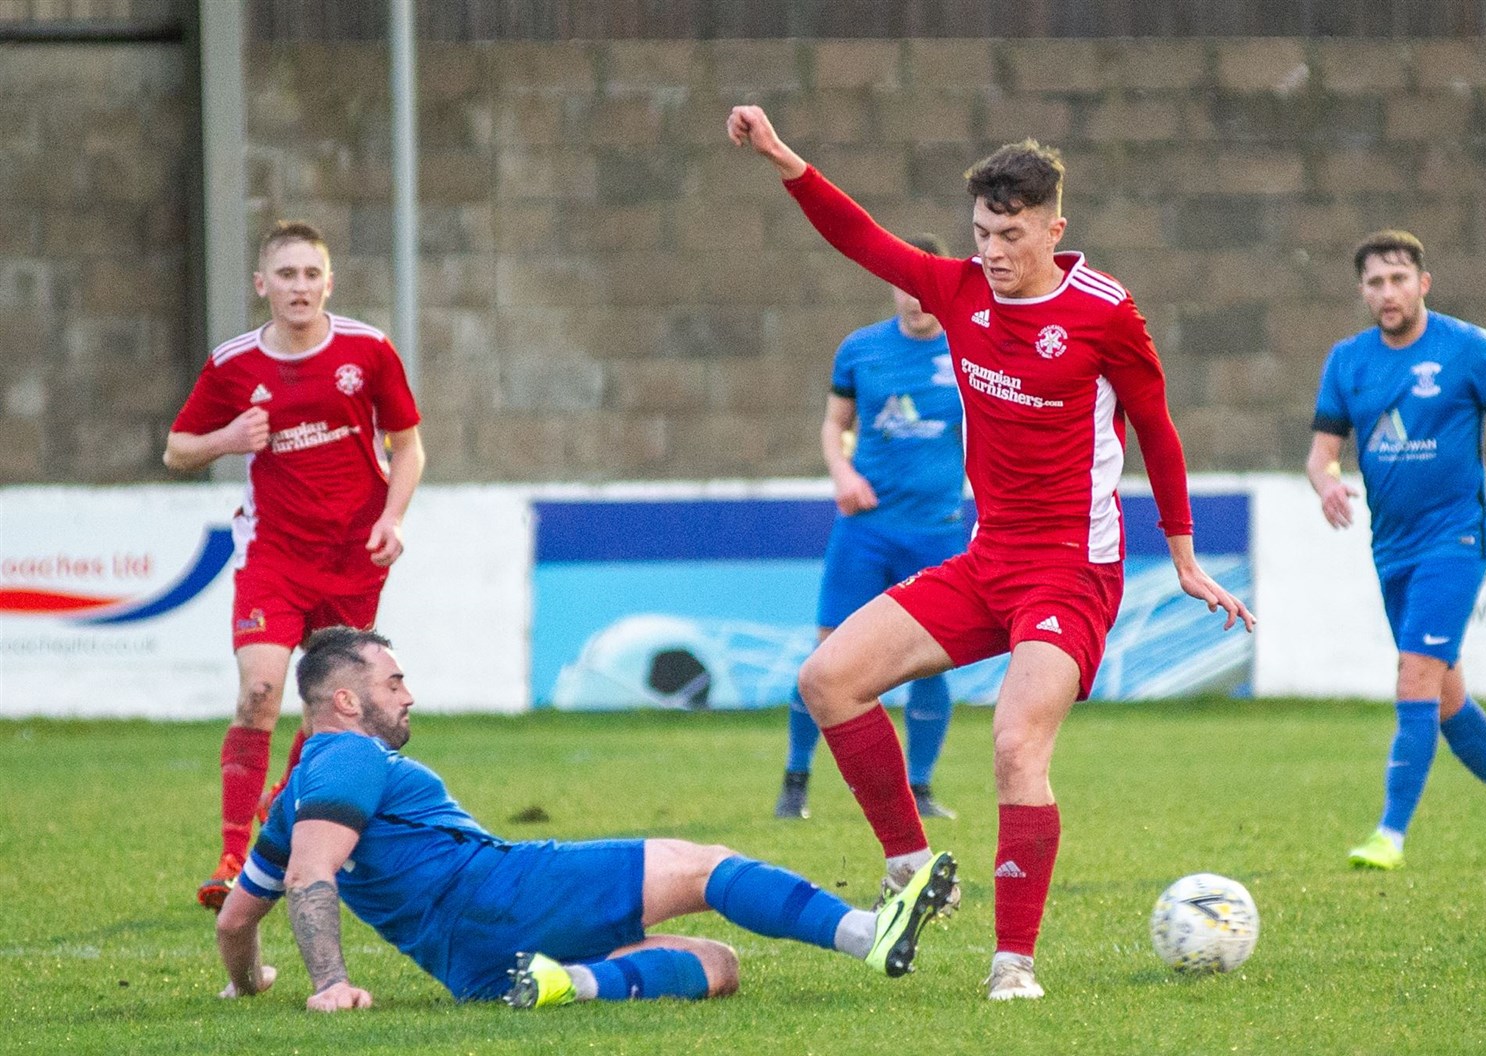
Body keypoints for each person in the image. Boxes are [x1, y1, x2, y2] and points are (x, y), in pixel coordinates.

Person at [728, 105, 1254, 1001]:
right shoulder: (958, 288)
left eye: (1010, 235)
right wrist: (783, 158)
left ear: (1055, 228)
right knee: (826, 680)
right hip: (987, 559)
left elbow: (1158, 432)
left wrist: (1186, 553)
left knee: (1015, 747)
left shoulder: (1105, 313)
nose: (994, 251)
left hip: (1073, 569)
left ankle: (1014, 963)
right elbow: (858, 237)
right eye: (981, 232)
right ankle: (910, 865)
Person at [214, 627, 957, 1010]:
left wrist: (250, 982)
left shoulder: (290, 801)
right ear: (345, 701)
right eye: (394, 680)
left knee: (716, 966)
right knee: (701, 864)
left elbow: (235, 923)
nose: (408, 695)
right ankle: (868, 933)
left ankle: (569, 983)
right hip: (500, 891)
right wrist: (329, 983)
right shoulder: (348, 755)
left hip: (469, 966)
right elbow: (314, 873)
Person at [1306, 229, 1486, 872]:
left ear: (1422, 284)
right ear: (1362, 291)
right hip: (1392, 548)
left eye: (1399, 279)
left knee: (1413, 675)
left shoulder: (1467, 349)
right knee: (1443, 696)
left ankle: (1390, 835)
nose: (1388, 292)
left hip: (1457, 538)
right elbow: (1321, 454)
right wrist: (1326, 485)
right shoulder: (1348, 361)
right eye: (1376, 282)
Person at [165, 220, 425, 912]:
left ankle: (277, 814)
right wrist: (226, 438)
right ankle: (229, 855)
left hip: (352, 558)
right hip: (274, 555)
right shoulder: (233, 364)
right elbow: (176, 449)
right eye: (286, 275)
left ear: (328, 283)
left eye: (311, 274)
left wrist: (391, 518)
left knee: (326, 708)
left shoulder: (367, 350)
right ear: (262, 286)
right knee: (259, 693)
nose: (299, 287)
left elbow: (410, 446)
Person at [778, 235, 968, 822]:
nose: (916, 302)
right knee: (828, 654)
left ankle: (921, 787)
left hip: (937, 533)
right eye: (905, 289)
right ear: (892, 287)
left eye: (926, 290)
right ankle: (796, 779)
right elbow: (835, 424)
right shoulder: (860, 351)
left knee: (930, 661)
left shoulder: (969, 352)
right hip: (866, 529)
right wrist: (840, 472)